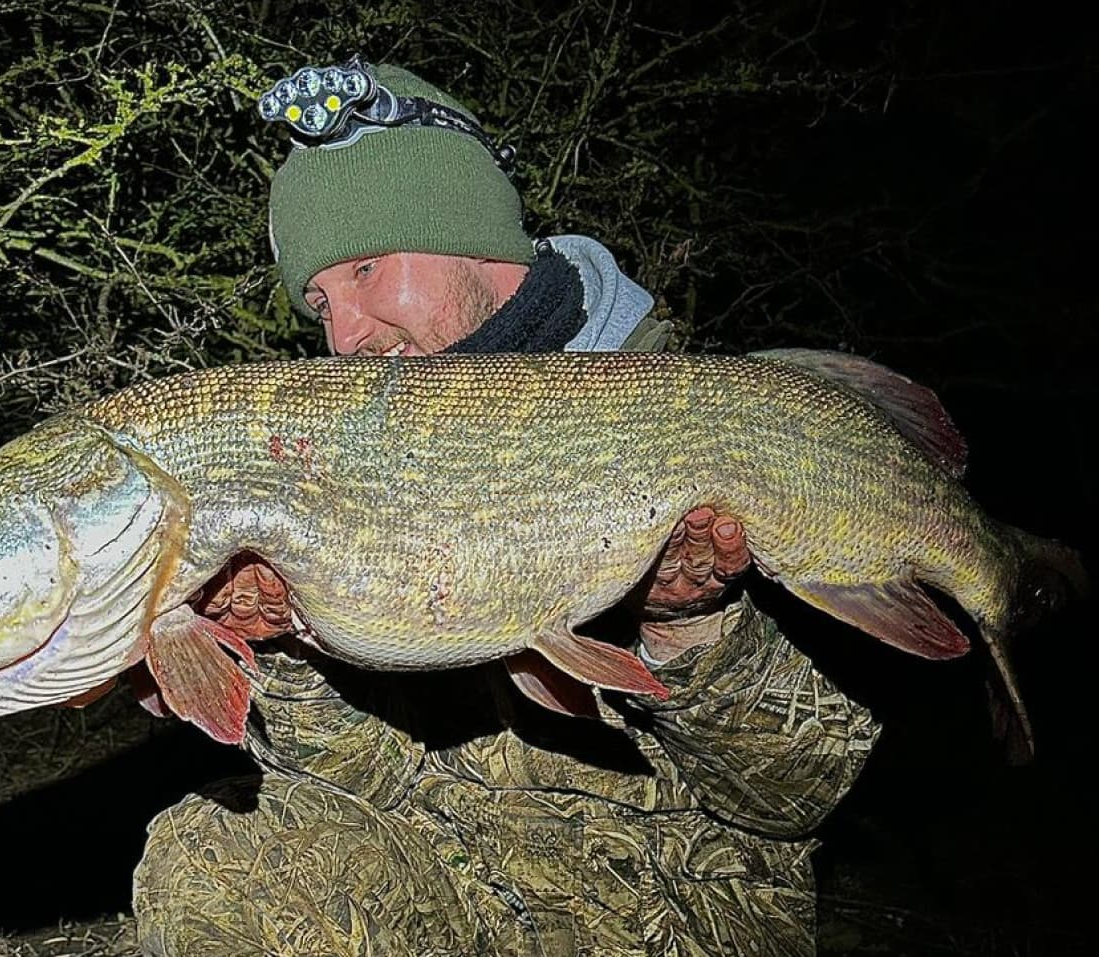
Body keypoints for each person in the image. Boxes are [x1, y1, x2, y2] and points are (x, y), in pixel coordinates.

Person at [128, 62, 879, 957]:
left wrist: (688, 629)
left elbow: (796, 795)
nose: (344, 333)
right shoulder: (353, 463)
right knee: (214, 856)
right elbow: (365, 783)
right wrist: (286, 645)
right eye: (321, 302)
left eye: (367, 269)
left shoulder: (702, 416)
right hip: (455, 896)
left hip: (675, 921)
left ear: (476, 241)